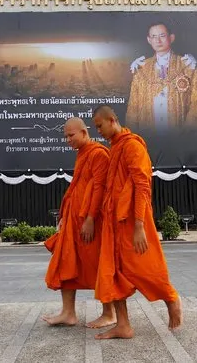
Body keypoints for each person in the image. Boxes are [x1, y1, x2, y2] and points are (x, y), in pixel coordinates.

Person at [91, 105, 182, 340]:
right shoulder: (116, 148)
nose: (98, 131)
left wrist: (140, 225)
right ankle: (123, 325)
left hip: (132, 220)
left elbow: (142, 186)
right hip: (114, 221)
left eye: (99, 126)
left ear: (112, 120)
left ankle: (170, 297)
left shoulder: (132, 146)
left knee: (143, 267)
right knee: (114, 272)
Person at [43, 117, 116, 328]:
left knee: (98, 264)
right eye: (65, 136)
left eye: (71, 135)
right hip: (74, 222)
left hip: (91, 223)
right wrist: (66, 217)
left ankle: (109, 313)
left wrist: (91, 219)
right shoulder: (82, 154)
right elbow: (78, 188)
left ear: (84, 132)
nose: (67, 140)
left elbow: (99, 189)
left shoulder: (98, 153)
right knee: (66, 262)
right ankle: (68, 313)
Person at [125, 22, 197, 135]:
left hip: (179, 137)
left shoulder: (188, 65)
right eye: (154, 36)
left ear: (171, 38)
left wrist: (186, 134)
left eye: (162, 36)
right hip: (148, 137)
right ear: (149, 40)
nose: (158, 41)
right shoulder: (141, 68)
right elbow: (133, 108)